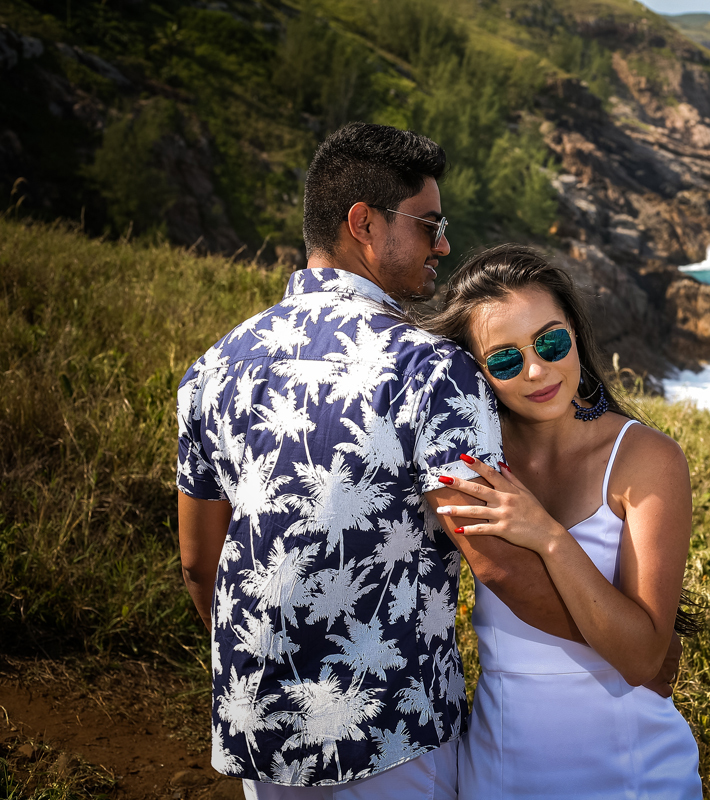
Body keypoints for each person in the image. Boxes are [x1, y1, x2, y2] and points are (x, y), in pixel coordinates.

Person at [176, 124, 653, 799]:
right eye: (429, 224)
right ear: (364, 224)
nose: (445, 244)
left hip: (258, 723)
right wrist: (630, 652)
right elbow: (494, 560)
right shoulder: (430, 369)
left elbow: (200, 562)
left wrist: (275, 665)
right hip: (392, 731)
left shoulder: (211, 369)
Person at [427, 244, 703, 799]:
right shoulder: (468, 462)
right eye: (505, 360)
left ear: (575, 332)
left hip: (634, 771)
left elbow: (644, 657)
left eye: (550, 341)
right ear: (477, 371)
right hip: (499, 767)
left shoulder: (648, 460)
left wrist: (549, 536)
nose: (536, 370)